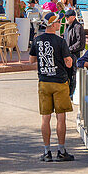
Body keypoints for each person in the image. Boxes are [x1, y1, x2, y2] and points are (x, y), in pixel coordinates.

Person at [30, 11, 75, 162]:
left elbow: (31, 59)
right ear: (53, 24)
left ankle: (46, 151)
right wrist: (68, 62)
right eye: (59, 22)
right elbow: (68, 62)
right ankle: (61, 151)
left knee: (45, 118)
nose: (60, 24)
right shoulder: (60, 41)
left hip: (44, 81)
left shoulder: (37, 39)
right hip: (59, 82)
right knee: (61, 118)